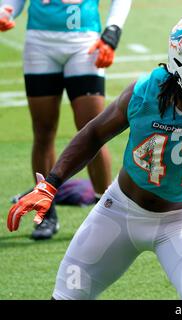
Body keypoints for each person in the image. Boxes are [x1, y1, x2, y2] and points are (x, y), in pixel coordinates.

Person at [7, 11, 182, 300]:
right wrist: (51, 183)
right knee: (66, 296)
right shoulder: (148, 91)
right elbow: (95, 132)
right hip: (119, 210)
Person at [0, 0, 132, 240]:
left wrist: (113, 31)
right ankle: (45, 211)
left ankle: (106, 212)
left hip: (85, 42)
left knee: (95, 129)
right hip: (40, 42)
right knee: (43, 131)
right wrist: (6, 9)